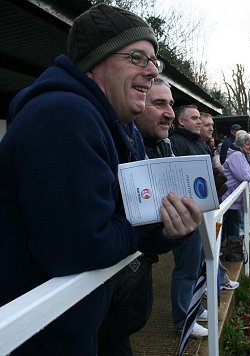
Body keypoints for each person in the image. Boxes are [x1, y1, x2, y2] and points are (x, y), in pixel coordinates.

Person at [0, 4, 202, 355]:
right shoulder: (63, 116)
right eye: (138, 57)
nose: (152, 71)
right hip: (37, 333)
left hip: (84, 322)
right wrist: (143, 228)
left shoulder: (116, 124)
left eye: (154, 61)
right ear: (96, 62)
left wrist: (166, 230)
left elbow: (129, 218)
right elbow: (79, 247)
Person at [98, 77, 178, 355]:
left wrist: (171, 233)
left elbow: (150, 242)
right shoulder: (107, 145)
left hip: (123, 310)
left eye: (171, 104)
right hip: (94, 310)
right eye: (159, 103)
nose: (170, 113)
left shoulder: (159, 148)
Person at [169, 104, 211, 337]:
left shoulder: (198, 142)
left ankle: (196, 307)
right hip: (186, 216)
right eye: (194, 118)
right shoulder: (176, 142)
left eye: (199, 118)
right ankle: (183, 319)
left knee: (199, 265)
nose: (198, 121)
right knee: (186, 268)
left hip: (202, 212)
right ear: (181, 122)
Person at [199, 112, 239, 290]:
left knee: (211, 248)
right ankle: (211, 285)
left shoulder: (204, 146)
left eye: (212, 126)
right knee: (204, 252)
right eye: (206, 124)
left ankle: (217, 280)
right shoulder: (187, 144)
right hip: (201, 209)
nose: (211, 128)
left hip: (212, 205)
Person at [221, 132, 250, 261]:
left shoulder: (241, 155)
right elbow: (243, 176)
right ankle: (230, 253)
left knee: (230, 223)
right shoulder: (237, 155)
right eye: (248, 144)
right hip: (229, 196)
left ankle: (230, 251)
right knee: (229, 224)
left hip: (232, 197)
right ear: (240, 143)